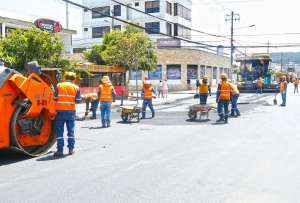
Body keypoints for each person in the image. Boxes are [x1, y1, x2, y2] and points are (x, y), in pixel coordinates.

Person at [54, 71, 81, 157]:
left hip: (60, 111)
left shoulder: (59, 85)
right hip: (70, 111)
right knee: (71, 131)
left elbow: (55, 98)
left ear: (65, 77)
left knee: (59, 131)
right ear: (74, 79)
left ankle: (60, 150)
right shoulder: (76, 87)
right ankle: (71, 149)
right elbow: (78, 100)